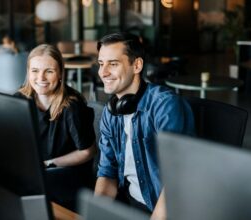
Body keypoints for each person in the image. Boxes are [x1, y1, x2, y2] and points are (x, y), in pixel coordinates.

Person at [94, 32, 195, 219]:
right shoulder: (111, 112)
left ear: (137, 65)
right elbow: (107, 173)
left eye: (113, 64)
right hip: (132, 204)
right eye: (101, 64)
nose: (103, 72)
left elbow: (176, 178)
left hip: (167, 210)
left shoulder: (164, 106)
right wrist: (94, 214)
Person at [15, 44, 97, 209]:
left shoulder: (72, 106)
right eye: (35, 70)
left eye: (49, 71)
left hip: (65, 177)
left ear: (60, 73)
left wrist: (48, 163)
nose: (41, 78)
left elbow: (88, 151)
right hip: (35, 172)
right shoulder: (20, 99)